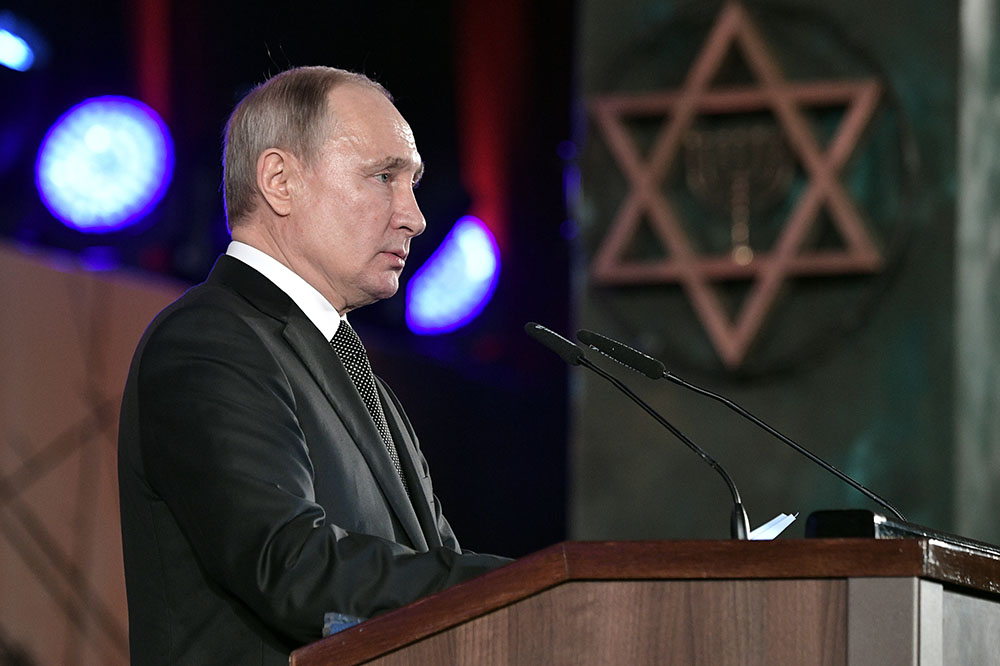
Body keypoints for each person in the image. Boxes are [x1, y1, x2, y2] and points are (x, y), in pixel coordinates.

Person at [117, 66, 512, 666]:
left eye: (412, 183)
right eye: (383, 176)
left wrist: (524, 594)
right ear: (280, 181)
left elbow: (431, 570)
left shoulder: (354, 369)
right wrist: (521, 584)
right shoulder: (208, 340)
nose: (415, 216)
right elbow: (291, 565)